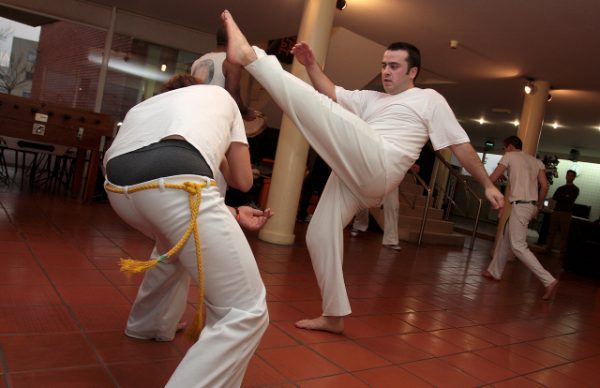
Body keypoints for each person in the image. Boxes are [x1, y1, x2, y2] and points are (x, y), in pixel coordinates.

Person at [221, 10, 503, 333]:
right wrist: (312, 65)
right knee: (319, 233)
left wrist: (486, 184)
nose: (386, 71)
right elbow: (332, 92)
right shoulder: (371, 99)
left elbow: (460, 145)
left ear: (413, 72)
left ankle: (250, 57)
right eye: (383, 65)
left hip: (382, 162)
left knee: (325, 112)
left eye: (394, 66)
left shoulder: (429, 100)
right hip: (358, 175)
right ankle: (334, 316)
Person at [103, 74, 271, 387]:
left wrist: (229, 211)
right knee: (245, 310)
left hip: (117, 188)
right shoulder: (221, 98)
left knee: (172, 245)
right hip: (175, 181)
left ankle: (149, 324)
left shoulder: (148, 105)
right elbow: (243, 181)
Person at [483, 136, 559, 300]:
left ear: (510, 147)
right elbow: (545, 186)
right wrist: (538, 206)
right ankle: (494, 271)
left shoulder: (509, 156)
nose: (504, 151)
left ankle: (549, 280)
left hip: (520, 205)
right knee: (505, 238)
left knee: (518, 246)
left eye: (504, 148)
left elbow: (493, 178)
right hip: (529, 206)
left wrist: (486, 184)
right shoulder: (535, 161)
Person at [350, 163, 421, 251]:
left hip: (391, 173)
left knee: (393, 204)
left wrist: (410, 164)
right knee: (365, 199)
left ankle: (390, 240)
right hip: (374, 168)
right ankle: (359, 224)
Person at [544, 169, 579, 257]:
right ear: (566, 176)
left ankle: (562, 254)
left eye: (571, 175)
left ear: (574, 177)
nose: (569, 177)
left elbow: (570, 199)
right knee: (551, 231)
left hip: (566, 213)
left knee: (564, 233)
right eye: (568, 175)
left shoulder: (575, 189)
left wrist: (563, 197)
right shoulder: (561, 188)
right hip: (556, 211)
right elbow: (555, 198)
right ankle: (548, 249)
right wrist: (565, 197)